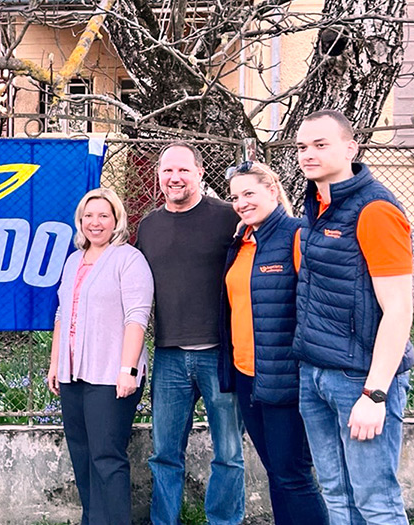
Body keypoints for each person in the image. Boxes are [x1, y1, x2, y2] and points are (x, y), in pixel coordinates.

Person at [293, 110, 413, 524]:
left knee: (376, 503)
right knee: (338, 499)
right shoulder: (316, 205)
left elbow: (399, 309)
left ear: (351, 147)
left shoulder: (375, 210)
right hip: (316, 374)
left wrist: (376, 394)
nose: (308, 155)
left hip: (359, 382)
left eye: (320, 145)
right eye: (302, 147)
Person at [136, 142, 245, 525]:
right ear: (159, 176)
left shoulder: (229, 216)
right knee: (164, 453)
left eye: (183, 170)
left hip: (221, 354)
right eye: (167, 171)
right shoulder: (148, 227)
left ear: (200, 172)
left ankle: (224, 521)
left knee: (229, 454)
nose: (175, 177)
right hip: (168, 355)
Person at [220, 161, 328, 525]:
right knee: (276, 473)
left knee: (293, 476)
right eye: (235, 196)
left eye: (249, 193)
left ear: (272, 190)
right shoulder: (243, 241)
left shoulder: (297, 235)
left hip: (287, 379)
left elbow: (317, 307)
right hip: (248, 376)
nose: (241, 202)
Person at [47, 188, 153, 525]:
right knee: (82, 454)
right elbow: (62, 313)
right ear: (80, 221)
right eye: (89, 216)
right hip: (72, 374)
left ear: (116, 220)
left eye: (103, 215)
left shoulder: (128, 259)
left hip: (111, 376)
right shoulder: (74, 260)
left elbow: (137, 317)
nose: (96, 222)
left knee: (107, 457)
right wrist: (55, 363)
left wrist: (128, 369)